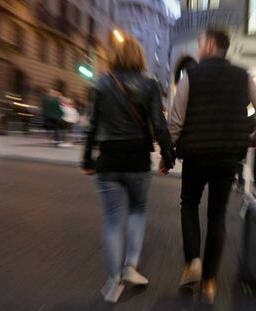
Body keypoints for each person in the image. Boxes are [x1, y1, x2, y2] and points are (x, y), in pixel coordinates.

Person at [166, 29, 256, 304]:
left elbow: (176, 121)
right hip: (227, 157)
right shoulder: (243, 76)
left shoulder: (191, 75)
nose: (199, 48)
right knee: (217, 215)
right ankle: (210, 281)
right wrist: (255, 139)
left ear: (210, 44)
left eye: (200, 43)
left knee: (189, 203)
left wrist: (170, 151)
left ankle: (193, 262)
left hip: (196, 155)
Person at [81, 34, 174, 303]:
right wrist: (168, 156)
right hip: (137, 162)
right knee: (137, 210)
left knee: (112, 220)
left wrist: (87, 160)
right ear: (140, 58)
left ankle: (113, 282)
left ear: (116, 57)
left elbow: (92, 125)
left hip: (108, 161)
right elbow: (159, 124)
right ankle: (130, 265)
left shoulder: (101, 82)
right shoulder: (150, 84)